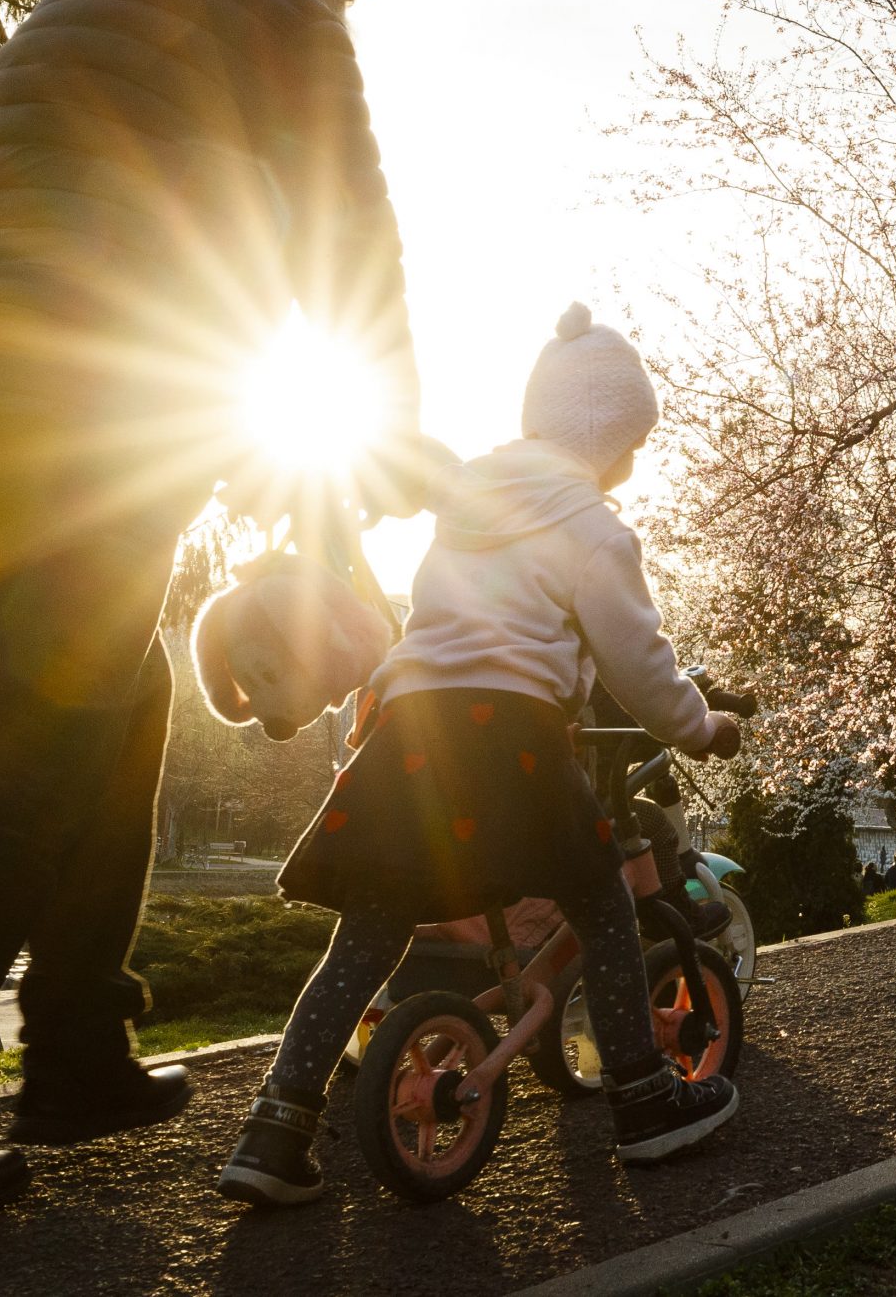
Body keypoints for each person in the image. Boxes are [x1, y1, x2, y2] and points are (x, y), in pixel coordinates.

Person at [0, 0, 433, 1240]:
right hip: (60, 413)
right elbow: (350, 242)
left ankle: (75, 1044)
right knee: (18, 763)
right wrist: (393, 444)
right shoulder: (277, 11)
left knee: (116, 698)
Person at [217, 305, 744, 1207]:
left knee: (366, 937)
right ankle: (647, 1101)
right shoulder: (594, 529)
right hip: (512, 746)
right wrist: (702, 726)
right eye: (635, 442)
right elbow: (641, 664)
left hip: (409, 738)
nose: (634, 461)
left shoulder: (472, 495)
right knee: (605, 903)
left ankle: (274, 1127)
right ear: (612, 435)